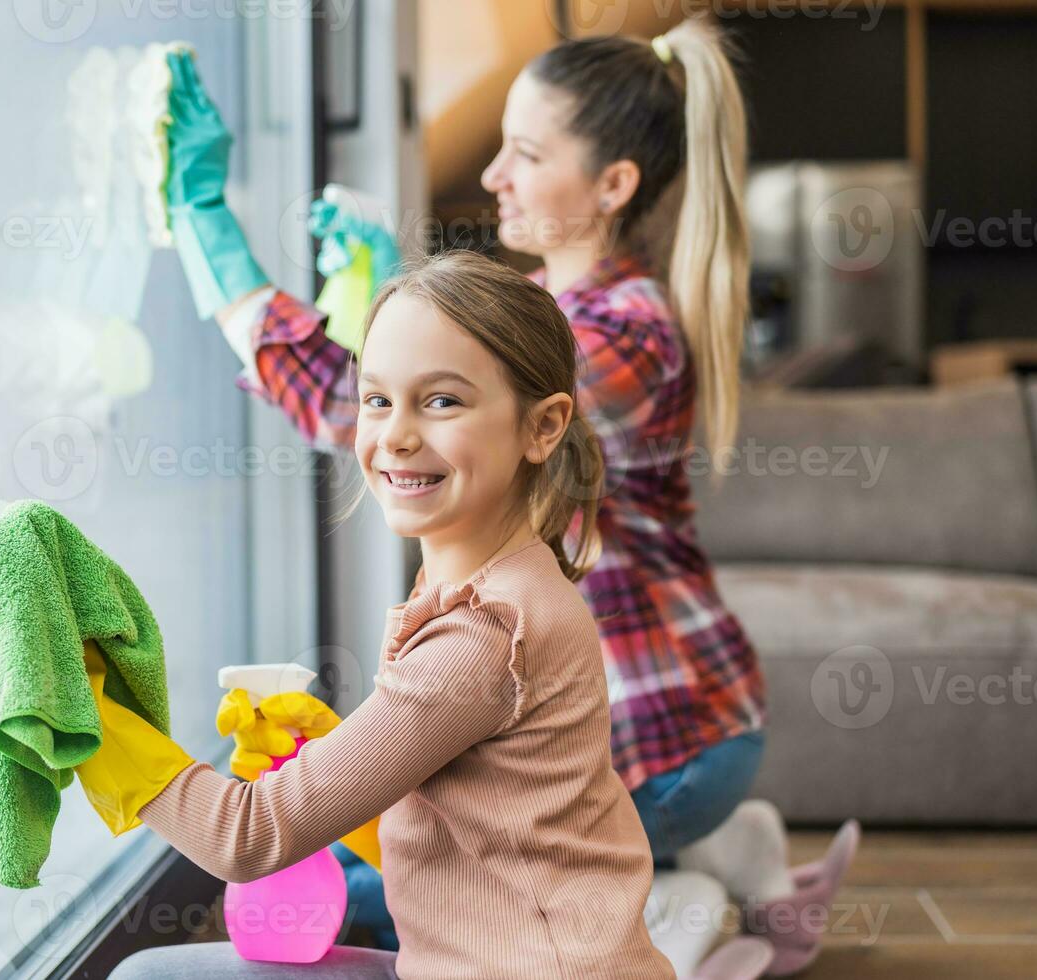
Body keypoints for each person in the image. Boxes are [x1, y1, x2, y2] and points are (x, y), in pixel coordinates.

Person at [157, 17, 857, 976]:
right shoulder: (551, 309)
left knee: (363, 890)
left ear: (612, 186)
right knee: (390, 857)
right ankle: (714, 857)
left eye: (526, 153)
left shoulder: (624, 331)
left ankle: (682, 898)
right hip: (646, 728)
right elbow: (410, 397)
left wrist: (215, 238)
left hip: (668, 735)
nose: (492, 176)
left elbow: (344, 401)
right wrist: (370, 299)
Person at [87, 250, 677, 979]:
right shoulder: (502, 586)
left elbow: (250, 836)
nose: (395, 434)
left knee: (144, 977)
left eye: (441, 402)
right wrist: (341, 754)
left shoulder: (485, 634)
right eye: (377, 399)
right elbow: (472, 831)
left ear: (543, 426)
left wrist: (91, 722)